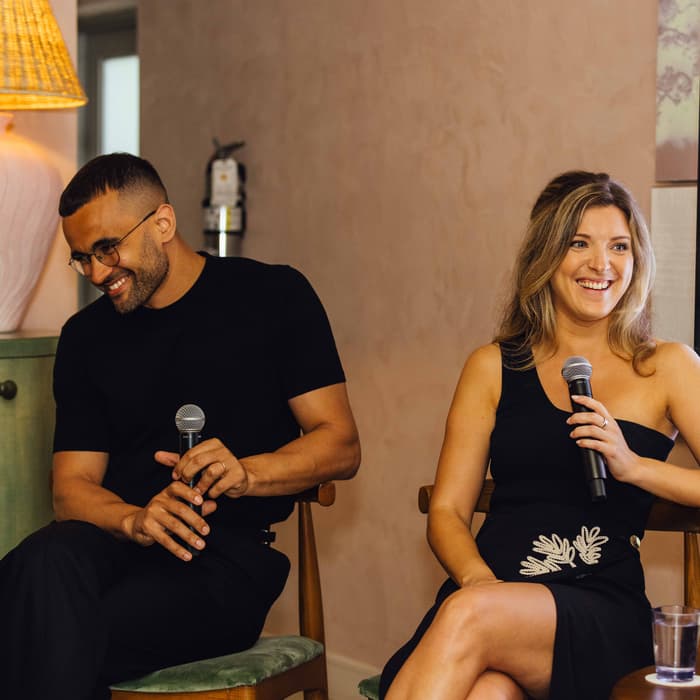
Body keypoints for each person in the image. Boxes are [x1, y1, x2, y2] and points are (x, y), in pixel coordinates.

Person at [0, 153, 360, 700]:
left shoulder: (274, 297)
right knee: (39, 564)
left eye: (107, 249)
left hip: (222, 561)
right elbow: (71, 489)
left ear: (162, 224)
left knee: (47, 625)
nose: (97, 273)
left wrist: (246, 472)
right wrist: (134, 520)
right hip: (117, 543)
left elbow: (341, 445)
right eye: (81, 259)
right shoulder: (85, 339)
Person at [379, 171, 700, 700]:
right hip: (489, 591)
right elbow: (447, 513)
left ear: (637, 260)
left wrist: (634, 464)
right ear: (547, 256)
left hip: (599, 605)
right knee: (487, 693)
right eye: (580, 244)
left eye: (619, 246)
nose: (602, 264)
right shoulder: (491, 366)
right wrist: (480, 585)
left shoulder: (665, 366)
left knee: (470, 622)